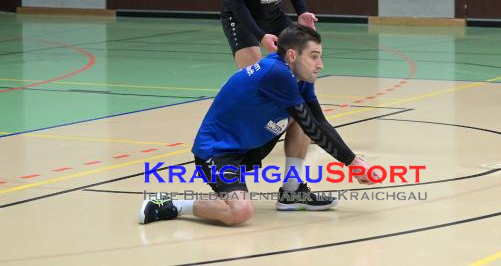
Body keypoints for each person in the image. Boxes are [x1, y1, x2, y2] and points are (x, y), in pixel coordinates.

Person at [140, 24, 382, 226]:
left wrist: (352, 161)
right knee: (240, 212)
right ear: (292, 56)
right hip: (218, 153)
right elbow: (313, 129)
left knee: (303, 116)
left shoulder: (298, 76)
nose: (320, 64)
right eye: (314, 57)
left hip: (253, 142)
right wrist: (352, 162)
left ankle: (292, 191)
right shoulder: (276, 74)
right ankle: (173, 205)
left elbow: (317, 120)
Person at [220, 0, 318, 201]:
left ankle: (292, 189)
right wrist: (261, 36)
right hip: (242, 18)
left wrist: (301, 11)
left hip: (273, 12)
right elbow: (236, 3)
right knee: (258, 88)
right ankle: (232, 157)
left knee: (299, 95)